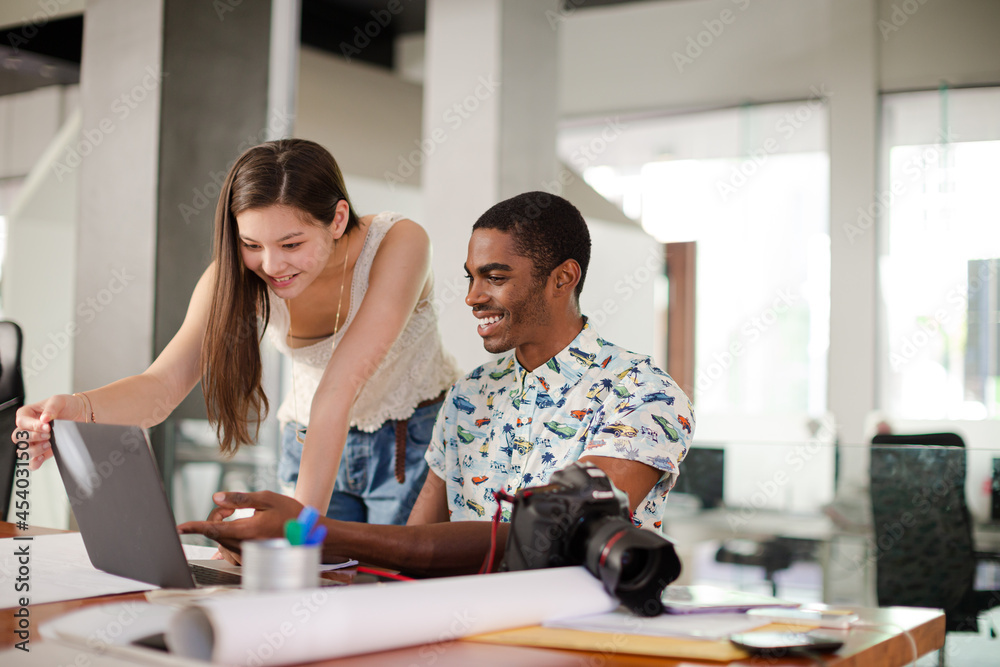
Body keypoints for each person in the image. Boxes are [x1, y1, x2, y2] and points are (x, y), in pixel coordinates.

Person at [180, 191, 695, 575]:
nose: (472, 297)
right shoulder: (470, 394)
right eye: (470, 277)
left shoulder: (641, 394)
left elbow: (548, 539)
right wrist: (273, 538)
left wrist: (307, 529)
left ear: (562, 278)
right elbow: (409, 546)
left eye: (494, 277)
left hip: (574, 639)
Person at [14, 139, 461, 525]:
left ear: (338, 218)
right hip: (310, 445)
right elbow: (161, 387)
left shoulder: (400, 243)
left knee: (393, 597)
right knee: (311, 595)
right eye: (251, 245)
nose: (271, 265)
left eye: (291, 244)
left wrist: (295, 534)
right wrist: (78, 408)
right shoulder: (233, 276)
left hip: (410, 445)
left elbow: (338, 390)